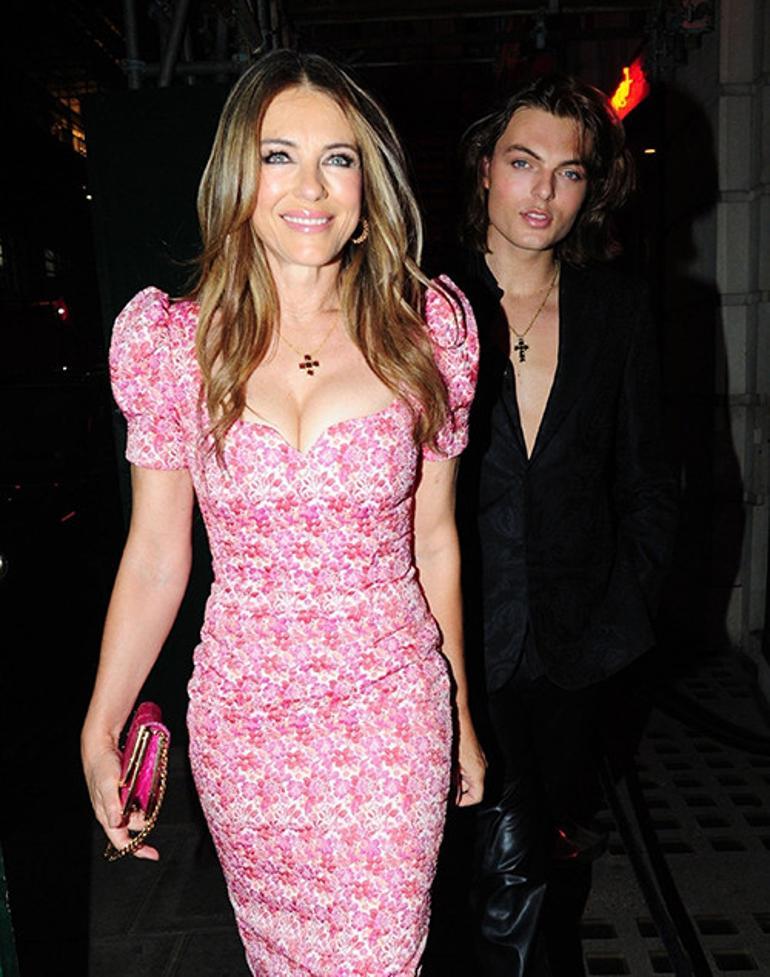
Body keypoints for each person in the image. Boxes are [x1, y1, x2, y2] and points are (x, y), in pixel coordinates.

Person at [81, 49, 486, 977]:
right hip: (245, 721)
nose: (311, 186)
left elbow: (435, 541)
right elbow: (157, 554)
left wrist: (461, 710)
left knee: (382, 955)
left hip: (389, 710)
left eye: (338, 159)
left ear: (368, 186)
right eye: (278, 156)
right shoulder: (172, 347)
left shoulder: (428, 331)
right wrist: (100, 724)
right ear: (238, 178)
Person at [451, 74, 678, 976]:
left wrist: (626, 615)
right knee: (493, 863)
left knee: (547, 851)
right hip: (453, 634)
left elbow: (652, 479)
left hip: (579, 646)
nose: (543, 191)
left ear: (593, 188)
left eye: (569, 171)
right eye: (523, 162)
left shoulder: (617, 310)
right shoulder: (423, 301)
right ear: (484, 168)